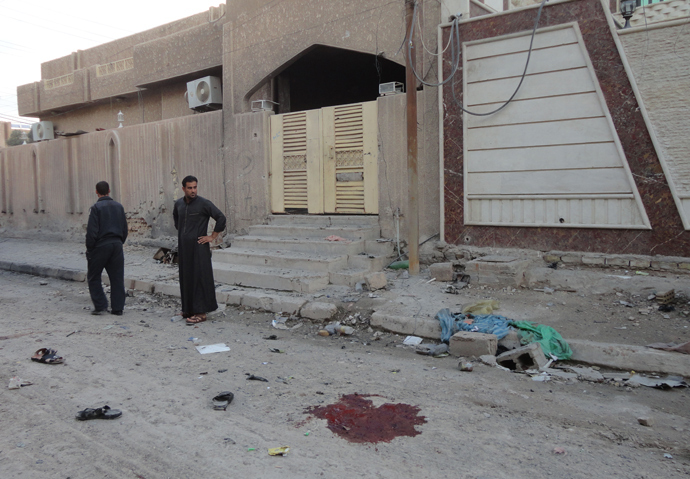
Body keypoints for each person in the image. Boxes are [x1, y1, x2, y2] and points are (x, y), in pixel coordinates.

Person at [173, 175, 227, 325]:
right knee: (186, 277)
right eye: (189, 188)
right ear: (183, 188)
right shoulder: (178, 204)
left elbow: (221, 218)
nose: (193, 191)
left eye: (195, 187)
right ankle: (188, 309)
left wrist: (212, 237)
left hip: (199, 248)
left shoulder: (204, 203)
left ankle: (201, 313)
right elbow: (177, 221)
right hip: (184, 248)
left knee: (199, 278)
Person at [86, 181, 128, 315]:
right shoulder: (119, 207)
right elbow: (124, 229)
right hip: (116, 245)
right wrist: (119, 242)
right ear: (109, 190)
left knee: (94, 276)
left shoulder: (96, 208)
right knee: (117, 277)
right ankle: (118, 308)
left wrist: (90, 249)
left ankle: (101, 305)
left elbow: (92, 232)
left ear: (96, 192)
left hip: (100, 246)